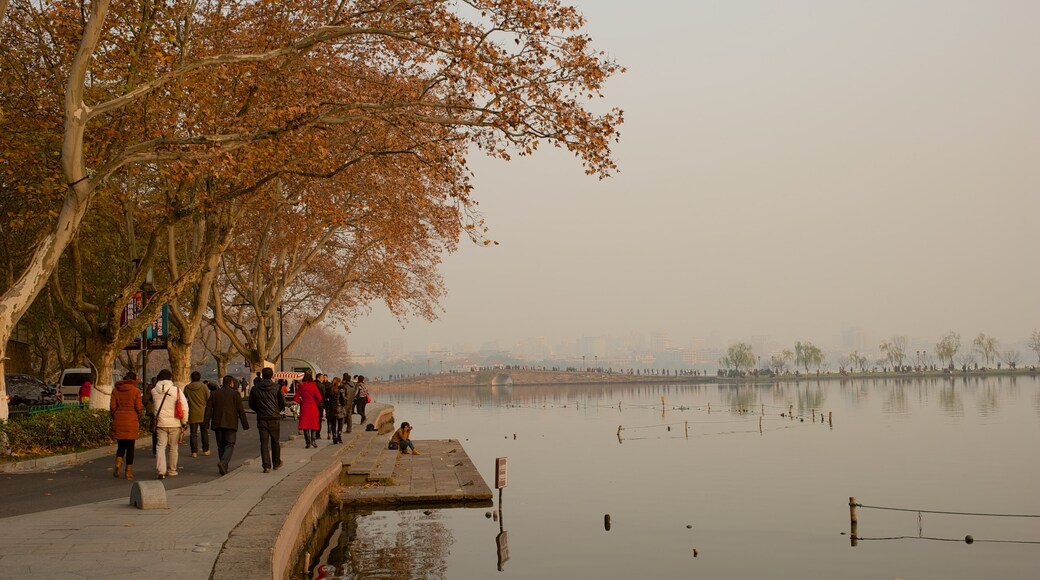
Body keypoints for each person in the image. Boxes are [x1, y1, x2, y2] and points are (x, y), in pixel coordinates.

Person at [205, 375, 249, 475]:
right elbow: (240, 410)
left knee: (220, 446)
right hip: (230, 422)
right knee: (230, 444)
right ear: (231, 383)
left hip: (217, 422)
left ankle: (223, 466)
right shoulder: (235, 394)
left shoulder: (214, 393)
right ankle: (224, 463)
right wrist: (245, 424)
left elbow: (208, 409)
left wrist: (206, 423)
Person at [150, 369, 188, 479]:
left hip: (160, 423)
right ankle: (172, 470)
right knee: (173, 447)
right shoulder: (176, 390)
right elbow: (184, 407)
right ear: (170, 378)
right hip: (174, 423)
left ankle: (161, 471)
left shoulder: (154, 391)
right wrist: (184, 422)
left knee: (160, 447)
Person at [248, 367, 285, 473]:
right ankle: (276, 463)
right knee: (275, 441)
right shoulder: (277, 387)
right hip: (274, 417)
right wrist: (278, 410)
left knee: (264, 442)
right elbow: (282, 402)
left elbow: (251, 403)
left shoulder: (255, 388)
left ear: (262, 375)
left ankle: (266, 465)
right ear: (272, 375)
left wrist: (259, 410)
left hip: (262, 418)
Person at [110, 371, 143, 480]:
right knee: (130, 447)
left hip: (119, 419)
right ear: (134, 380)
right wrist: (137, 416)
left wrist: (115, 416)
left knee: (121, 446)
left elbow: (112, 407)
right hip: (131, 421)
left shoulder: (115, 390)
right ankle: (128, 472)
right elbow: (138, 408)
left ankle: (118, 463)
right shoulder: (136, 391)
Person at [183, 371, 210, 458]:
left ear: (191, 378)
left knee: (193, 433)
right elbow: (208, 399)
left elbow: (184, 399)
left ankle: (194, 452)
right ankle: (205, 450)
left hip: (192, 412)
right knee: (204, 432)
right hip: (203, 413)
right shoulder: (204, 387)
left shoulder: (187, 388)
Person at [294, 371, 323, 448]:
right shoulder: (314, 386)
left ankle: (307, 443)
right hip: (313, 407)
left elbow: (296, 398)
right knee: (313, 424)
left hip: (304, 407)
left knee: (305, 425)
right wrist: (315, 402)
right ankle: (313, 440)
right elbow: (319, 398)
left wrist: (301, 402)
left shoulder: (300, 387)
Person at [324, 376, 346, 444]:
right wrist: (342, 405)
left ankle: (334, 437)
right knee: (340, 424)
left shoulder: (329, 389)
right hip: (339, 408)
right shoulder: (340, 390)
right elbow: (343, 400)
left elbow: (325, 398)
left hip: (331, 408)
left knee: (333, 424)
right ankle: (339, 436)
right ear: (338, 382)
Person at [314, 373, 328, 439]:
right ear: (318, 378)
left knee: (313, 419)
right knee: (319, 420)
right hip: (320, 405)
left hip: (313, 404)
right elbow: (324, 396)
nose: (323, 379)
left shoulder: (313, 384)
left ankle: (313, 432)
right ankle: (317, 434)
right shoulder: (322, 386)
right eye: (322, 378)